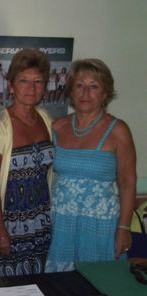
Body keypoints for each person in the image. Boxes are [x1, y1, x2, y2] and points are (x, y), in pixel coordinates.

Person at [45, 59, 136, 272]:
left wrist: (123, 228)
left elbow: (127, 183)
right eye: (79, 85)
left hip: (100, 224)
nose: (86, 92)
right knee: (61, 288)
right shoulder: (57, 127)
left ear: (105, 94)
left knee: (100, 283)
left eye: (94, 86)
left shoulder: (118, 130)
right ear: (71, 92)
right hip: (62, 222)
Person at [0, 48, 54, 277]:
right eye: (24, 80)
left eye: (38, 81)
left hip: (42, 224)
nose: (31, 87)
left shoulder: (46, 119)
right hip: (10, 225)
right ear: (11, 86)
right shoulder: (1, 125)